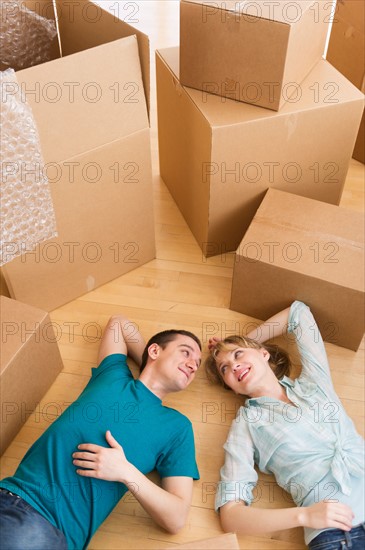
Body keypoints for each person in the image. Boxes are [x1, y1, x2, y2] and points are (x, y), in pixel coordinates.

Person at [0, 314, 202, 550]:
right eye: (186, 352)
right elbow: (119, 323)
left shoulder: (177, 427)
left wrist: (126, 472)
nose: (192, 365)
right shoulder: (113, 375)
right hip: (10, 493)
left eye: (197, 363)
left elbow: (176, 518)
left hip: (45, 529)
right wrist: (149, 360)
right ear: (155, 350)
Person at [205, 301, 364, 550]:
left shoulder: (314, 383)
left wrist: (240, 342)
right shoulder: (247, 425)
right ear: (231, 387)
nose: (233, 365)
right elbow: (230, 515)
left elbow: (298, 313)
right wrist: (303, 515)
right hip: (341, 535)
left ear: (264, 353)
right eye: (224, 368)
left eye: (238, 356)